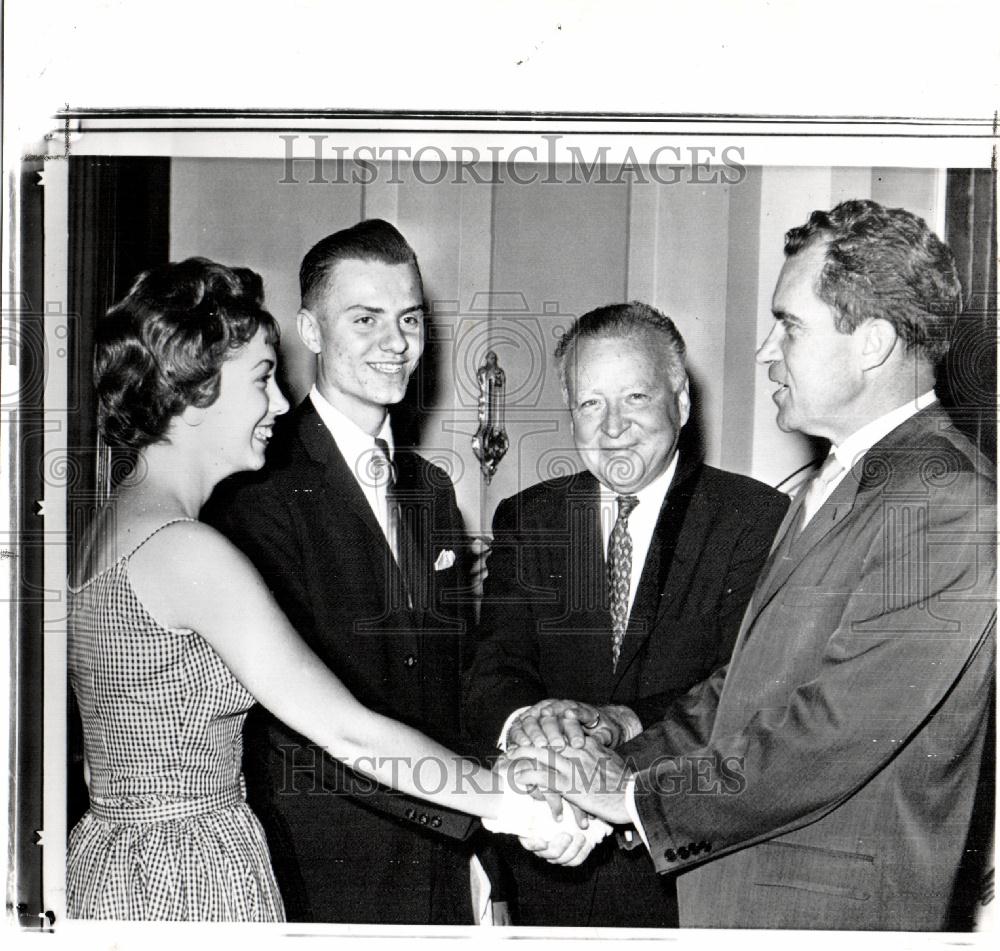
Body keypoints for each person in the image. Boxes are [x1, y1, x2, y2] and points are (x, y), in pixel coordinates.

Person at [510, 199, 997, 931]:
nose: (768, 349)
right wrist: (613, 757)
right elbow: (743, 691)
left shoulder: (949, 498)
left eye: (790, 325)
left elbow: (832, 733)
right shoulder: (844, 481)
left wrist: (635, 797)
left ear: (871, 342)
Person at [66, 257, 582, 922]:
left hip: (114, 861)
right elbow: (347, 729)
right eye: (261, 380)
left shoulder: (106, 529)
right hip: (189, 871)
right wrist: (505, 804)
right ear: (197, 394)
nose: (280, 403)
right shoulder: (188, 552)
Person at [204, 220, 505, 923]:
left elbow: (454, 675)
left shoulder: (430, 488)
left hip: (441, 863)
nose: (395, 343)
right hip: (319, 866)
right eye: (365, 319)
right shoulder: (255, 487)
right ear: (309, 329)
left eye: (409, 319)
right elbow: (301, 723)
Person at [463, 301, 788, 926]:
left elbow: (741, 691)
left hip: (683, 877)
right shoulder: (529, 518)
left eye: (635, 397)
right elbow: (493, 669)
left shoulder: (753, 521)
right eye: (590, 404)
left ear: (681, 403)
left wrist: (620, 720)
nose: (613, 426)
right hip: (549, 861)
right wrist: (529, 723)